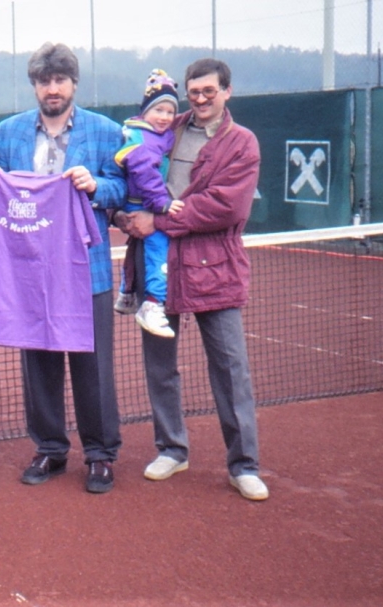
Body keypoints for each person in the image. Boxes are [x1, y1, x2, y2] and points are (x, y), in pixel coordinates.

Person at [119, 58, 269, 501]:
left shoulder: (242, 143)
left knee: (230, 368)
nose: (200, 99)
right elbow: (129, 175)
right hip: (158, 269)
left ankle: (244, 465)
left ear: (227, 91)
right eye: (194, 91)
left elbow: (227, 208)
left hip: (214, 270)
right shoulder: (164, 128)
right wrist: (125, 214)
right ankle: (172, 449)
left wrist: (155, 221)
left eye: (209, 91)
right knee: (159, 366)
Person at [0, 42, 126, 494]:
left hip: (88, 269)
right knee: (39, 363)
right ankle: (50, 448)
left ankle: (100, 455)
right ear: (35, 86)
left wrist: (97, 185)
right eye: (44, 81)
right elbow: (4, 198)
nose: (52, 88)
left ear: (74, 83)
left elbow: (123, 188)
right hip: (30, 273)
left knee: (93, 366)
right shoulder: (9, 133)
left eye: (60, 80)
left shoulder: (105, 131)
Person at [113, 69, 184, 338]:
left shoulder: (155, 134)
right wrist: (161, 204)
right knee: (159, 248)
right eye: (159, 111)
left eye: (169, 112)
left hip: (142, 201)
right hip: (141, 203)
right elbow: (145, 174)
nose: (165, 117)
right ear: (145, 112)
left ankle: (126, 293)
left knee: (135, 247)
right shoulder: (143, 142)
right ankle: (153, 304)